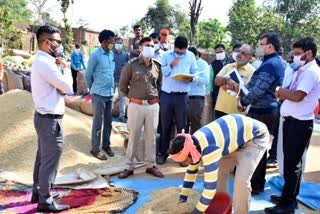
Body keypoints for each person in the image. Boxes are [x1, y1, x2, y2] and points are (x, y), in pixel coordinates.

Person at [169, 114, 270, 214]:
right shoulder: (192, 143)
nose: (186, 164)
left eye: (185, 160)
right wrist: (182, 199)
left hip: (255, 138)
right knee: (219, 174)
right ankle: (223, 208)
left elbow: (209, 190)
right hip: (233, 139)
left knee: (241, 182)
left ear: (191, 153)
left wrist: (196, 212)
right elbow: (191, 172)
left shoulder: (210, 150)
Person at [265, 38, 320, 214]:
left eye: (297, 54)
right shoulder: (302, 70)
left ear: (308, 53)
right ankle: (288, 197)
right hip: (292, 121)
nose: (294, 57)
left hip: (299, 124)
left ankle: (288, 205)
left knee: (292, 165)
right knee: (290, 164)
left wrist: (280, 92)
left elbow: (297, 96)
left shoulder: (311, 72)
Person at [30, 25, 73, 212]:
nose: (60, 45)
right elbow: (66, 87)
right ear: (46, 42)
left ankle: (38, 192)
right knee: (50, 159)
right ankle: (45, 201)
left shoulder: (43, 60)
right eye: (57, 41)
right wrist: (67, 68)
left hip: (43, 117)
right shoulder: (47, 63)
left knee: (43, 157)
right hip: (50, 120)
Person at [237, 32, 284, 195]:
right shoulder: (269, 62)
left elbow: (259, 90)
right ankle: (255, 182)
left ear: (270, 46)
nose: (259, 47)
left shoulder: (272, 64)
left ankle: (256, 184)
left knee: (257, 149)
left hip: (263, 112)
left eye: (262, 44)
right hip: (260, 110)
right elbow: (253, 86)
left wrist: (243, 101)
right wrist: (243, 93)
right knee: (256, 148)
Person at [118, 37, 164, 179]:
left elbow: (160, 85)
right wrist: (133, 98)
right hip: (136, 106)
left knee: (151, 137)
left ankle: (151, 165)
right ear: (140, 48)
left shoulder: (157, 66)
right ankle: (129, 166)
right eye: (147, 45)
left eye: (152, 45)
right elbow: (122, 87)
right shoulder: (131, 65)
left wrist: (153, 99)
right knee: (133, 136)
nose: (150, 47)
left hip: (152, 106)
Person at [157, 36, 198, 165]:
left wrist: (191, 78)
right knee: (165, 126)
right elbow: (161, 72)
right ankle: (162, 153)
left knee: (182, 128)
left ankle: (182, 155)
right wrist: (171, 65)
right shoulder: (166, 55)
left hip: (182, 96)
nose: (180, 54)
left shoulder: (191, 56)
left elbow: (195, 72)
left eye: (182, 52)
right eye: (178, 51)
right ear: (174, 47)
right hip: (167, 95)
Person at [85, 29, 115, 160]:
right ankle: (95, 149)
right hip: (98, 94)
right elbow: (88, 74)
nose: (113, 44)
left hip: (109, 94)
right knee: (98, 122)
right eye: (111, 41)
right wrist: (92, 88)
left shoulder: (111, 55)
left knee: (108, 122)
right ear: (104, 42)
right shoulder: (96, 55)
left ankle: (106, 145)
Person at [214, 44, 255, 119]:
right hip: (220, 109)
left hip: (237, 114)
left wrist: (231, 86)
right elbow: (216, 81)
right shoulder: (228, 66)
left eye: (243, 53)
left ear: (250, 58)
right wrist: (227, 80)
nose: (239, 54)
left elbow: (247, 93)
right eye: (239, 51)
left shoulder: (252, 72)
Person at [186, 46, 209, 134]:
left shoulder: (203, 64)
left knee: (195, 123)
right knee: (183, 123)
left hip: (196, 98)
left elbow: (205, 80)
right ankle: (183, 145)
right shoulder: (186, 63)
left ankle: (195, 145)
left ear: (196, 55)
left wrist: (193, 79)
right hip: (184, 97)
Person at [210, 44, 234, 119]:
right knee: (219, 118)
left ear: (225, 51)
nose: (219, 54)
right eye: (217, 53)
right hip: (217, 94)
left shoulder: (232, 62)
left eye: (221, 52)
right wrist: (210, 93)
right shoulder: (213, 64)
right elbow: (211, 80)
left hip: (231, 94)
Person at [113, 37, 129, 122]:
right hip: (111, 79)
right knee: (110, 97)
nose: (119, 44)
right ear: (115, 43)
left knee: (122, 98)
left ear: (122, 44)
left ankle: (121, 116)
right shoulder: (111, 54)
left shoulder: (126, 55)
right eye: (117, 43)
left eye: (120, 43)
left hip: (122, 80)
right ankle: (108, 114)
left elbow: (128, 67)